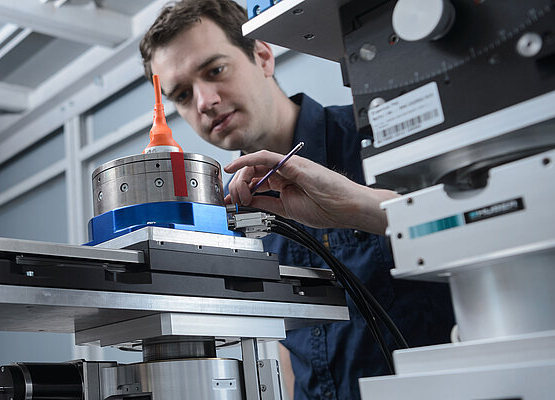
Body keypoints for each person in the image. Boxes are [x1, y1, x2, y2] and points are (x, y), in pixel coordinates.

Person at [140, 1, 455, 399]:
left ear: (262, 55)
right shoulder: (234, 207)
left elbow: (476, 225)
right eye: (183, 95)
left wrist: (358, 206)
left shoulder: (378, 137)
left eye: (215, 70)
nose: (204, 101)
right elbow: (289, 342)